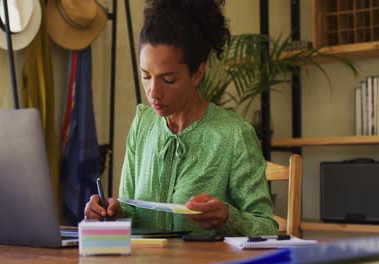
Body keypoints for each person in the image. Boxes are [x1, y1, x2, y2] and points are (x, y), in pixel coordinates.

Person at [85, 0, 278, 236]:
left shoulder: (234, 135)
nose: (153, 92)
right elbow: (129, 208)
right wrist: (112, 212)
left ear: (197, 73)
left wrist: (227, 218)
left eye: (168, 80)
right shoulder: (142, 124)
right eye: (146, 76)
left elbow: (267, 228)